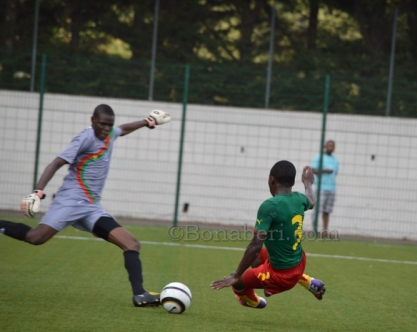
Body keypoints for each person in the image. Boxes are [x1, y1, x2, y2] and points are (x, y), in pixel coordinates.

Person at [0, 104, 170, 307]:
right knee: (36, 238)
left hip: (91, 207)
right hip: (70, 201)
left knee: (131, 244)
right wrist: (38, 191)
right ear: (92, 121)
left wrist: (147, 121)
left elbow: (123, 129)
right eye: (102, 124)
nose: (106, 128)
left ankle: (140, 295)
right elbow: (55, 163)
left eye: (109, 124)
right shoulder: (85, 138)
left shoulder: (109, 134)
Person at [210, 160, 326, 308]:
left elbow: (255, 246)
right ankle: (308, 281)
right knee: (256, 260)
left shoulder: (270, 206)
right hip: (299, 261)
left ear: (272, 180)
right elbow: (311, 200)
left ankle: (252, 301)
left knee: (238, 283)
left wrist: (235, 275)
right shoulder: (299, 199)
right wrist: (308, 183)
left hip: (281, 276)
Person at [311, 140, 339, 238]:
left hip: (332, 188)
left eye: (333, 146)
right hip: (321, 188)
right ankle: (314, 230)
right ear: (325, 146)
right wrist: (324, 171)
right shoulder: (319, 157)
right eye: (329, 145)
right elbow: (312, 170)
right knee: (317, 209)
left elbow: (335, 173)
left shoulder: (335, 160)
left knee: (327, 211)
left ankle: (325, 231)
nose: (331, 147)